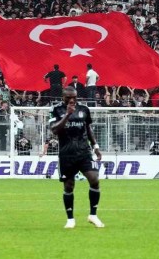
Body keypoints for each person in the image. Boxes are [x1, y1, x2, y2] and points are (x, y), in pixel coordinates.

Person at [49, 86, 104, 229]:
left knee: (94, 179)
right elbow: (54, 130)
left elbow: (88, 128)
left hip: (84, 152)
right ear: (63, 97)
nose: (72, 100)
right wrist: (67, 114)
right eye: (69, 98)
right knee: (69, 186)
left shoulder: (84, 109)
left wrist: (96, 147)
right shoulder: (56, 109)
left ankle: (93, 215)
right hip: (66, 153)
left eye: (74, 97)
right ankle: (70, 219)